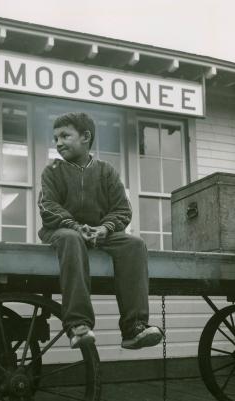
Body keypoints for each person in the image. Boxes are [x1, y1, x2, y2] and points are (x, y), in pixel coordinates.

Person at [38, 112, 163, 350]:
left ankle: (134, 327)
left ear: (86, 137)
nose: (58, 142)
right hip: (61, 230)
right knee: (72, 239)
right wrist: (75, 226)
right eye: (55, 138)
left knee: (134, 244)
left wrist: (105, 228)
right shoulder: (52, 171)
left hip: (100, 233)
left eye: (65, 135)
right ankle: (78, 324)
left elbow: (122, 210)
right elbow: (48, 207)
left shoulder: (106, 171)